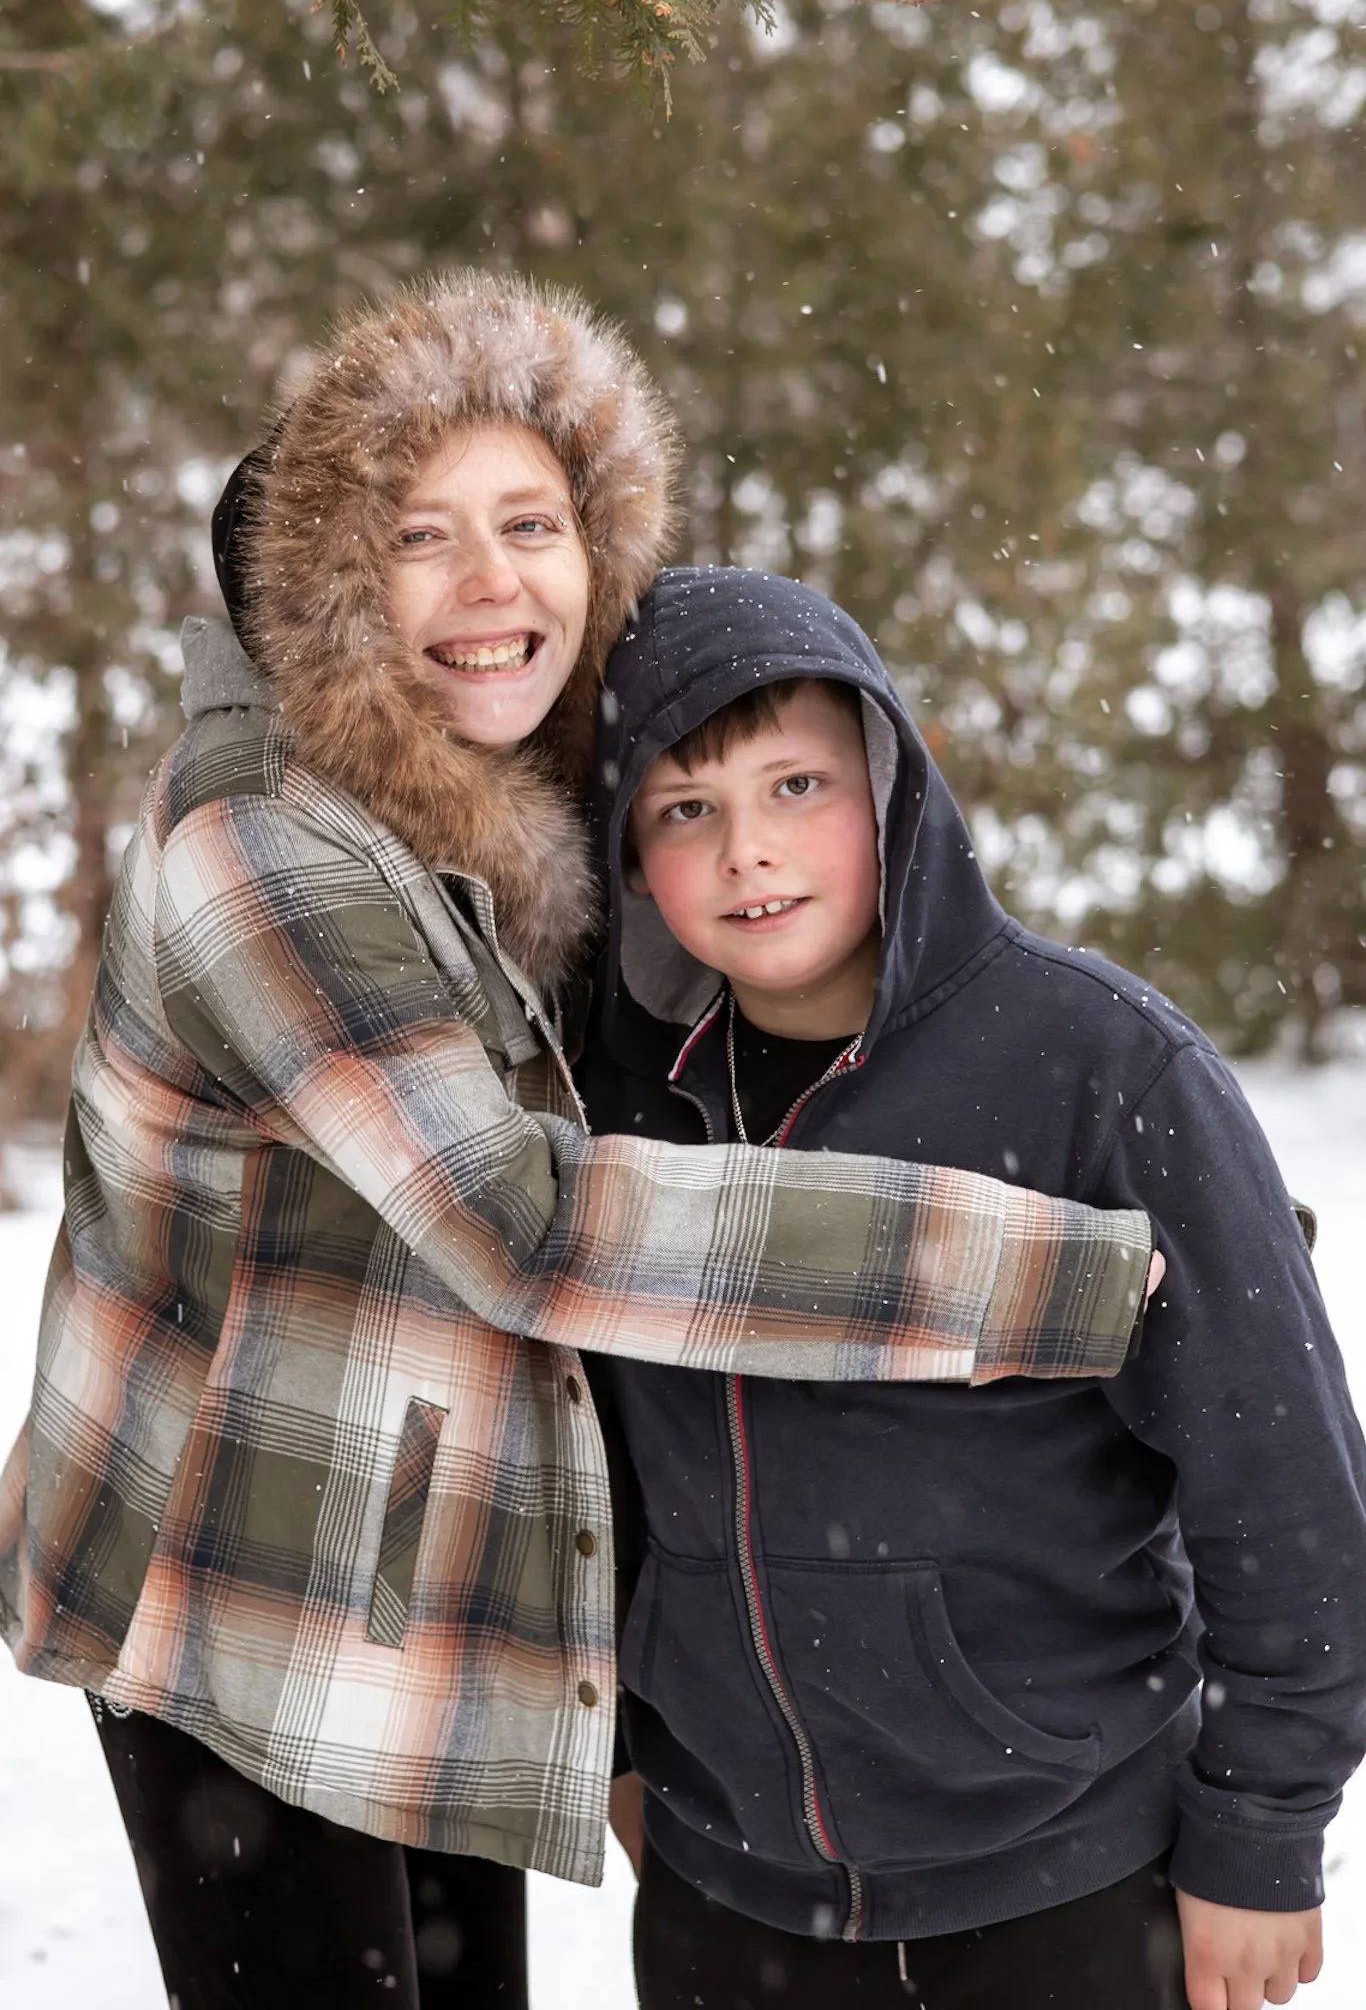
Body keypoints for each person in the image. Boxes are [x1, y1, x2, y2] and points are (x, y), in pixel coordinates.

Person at [0, 276, 1157, 2010]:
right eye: (424, 537)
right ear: (329, 581)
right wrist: (1051, 1264)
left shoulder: (485, 819)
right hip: (239, 1600)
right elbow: (533, 1224)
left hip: (433, 1583)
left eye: (532, 525)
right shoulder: (266, 852)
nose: (493, 587)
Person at [578, 565, 1366, 2010]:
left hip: (1064, 1872)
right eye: (686, 809)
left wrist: (1260, 1833)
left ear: (892, 786)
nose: (749, 851)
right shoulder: (618, 1104)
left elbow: (1283, 1484)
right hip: (723, 1894)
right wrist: (625, 1758)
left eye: (796, 786)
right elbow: (596, 1473)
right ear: (627, 852)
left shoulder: (1098, 1068)